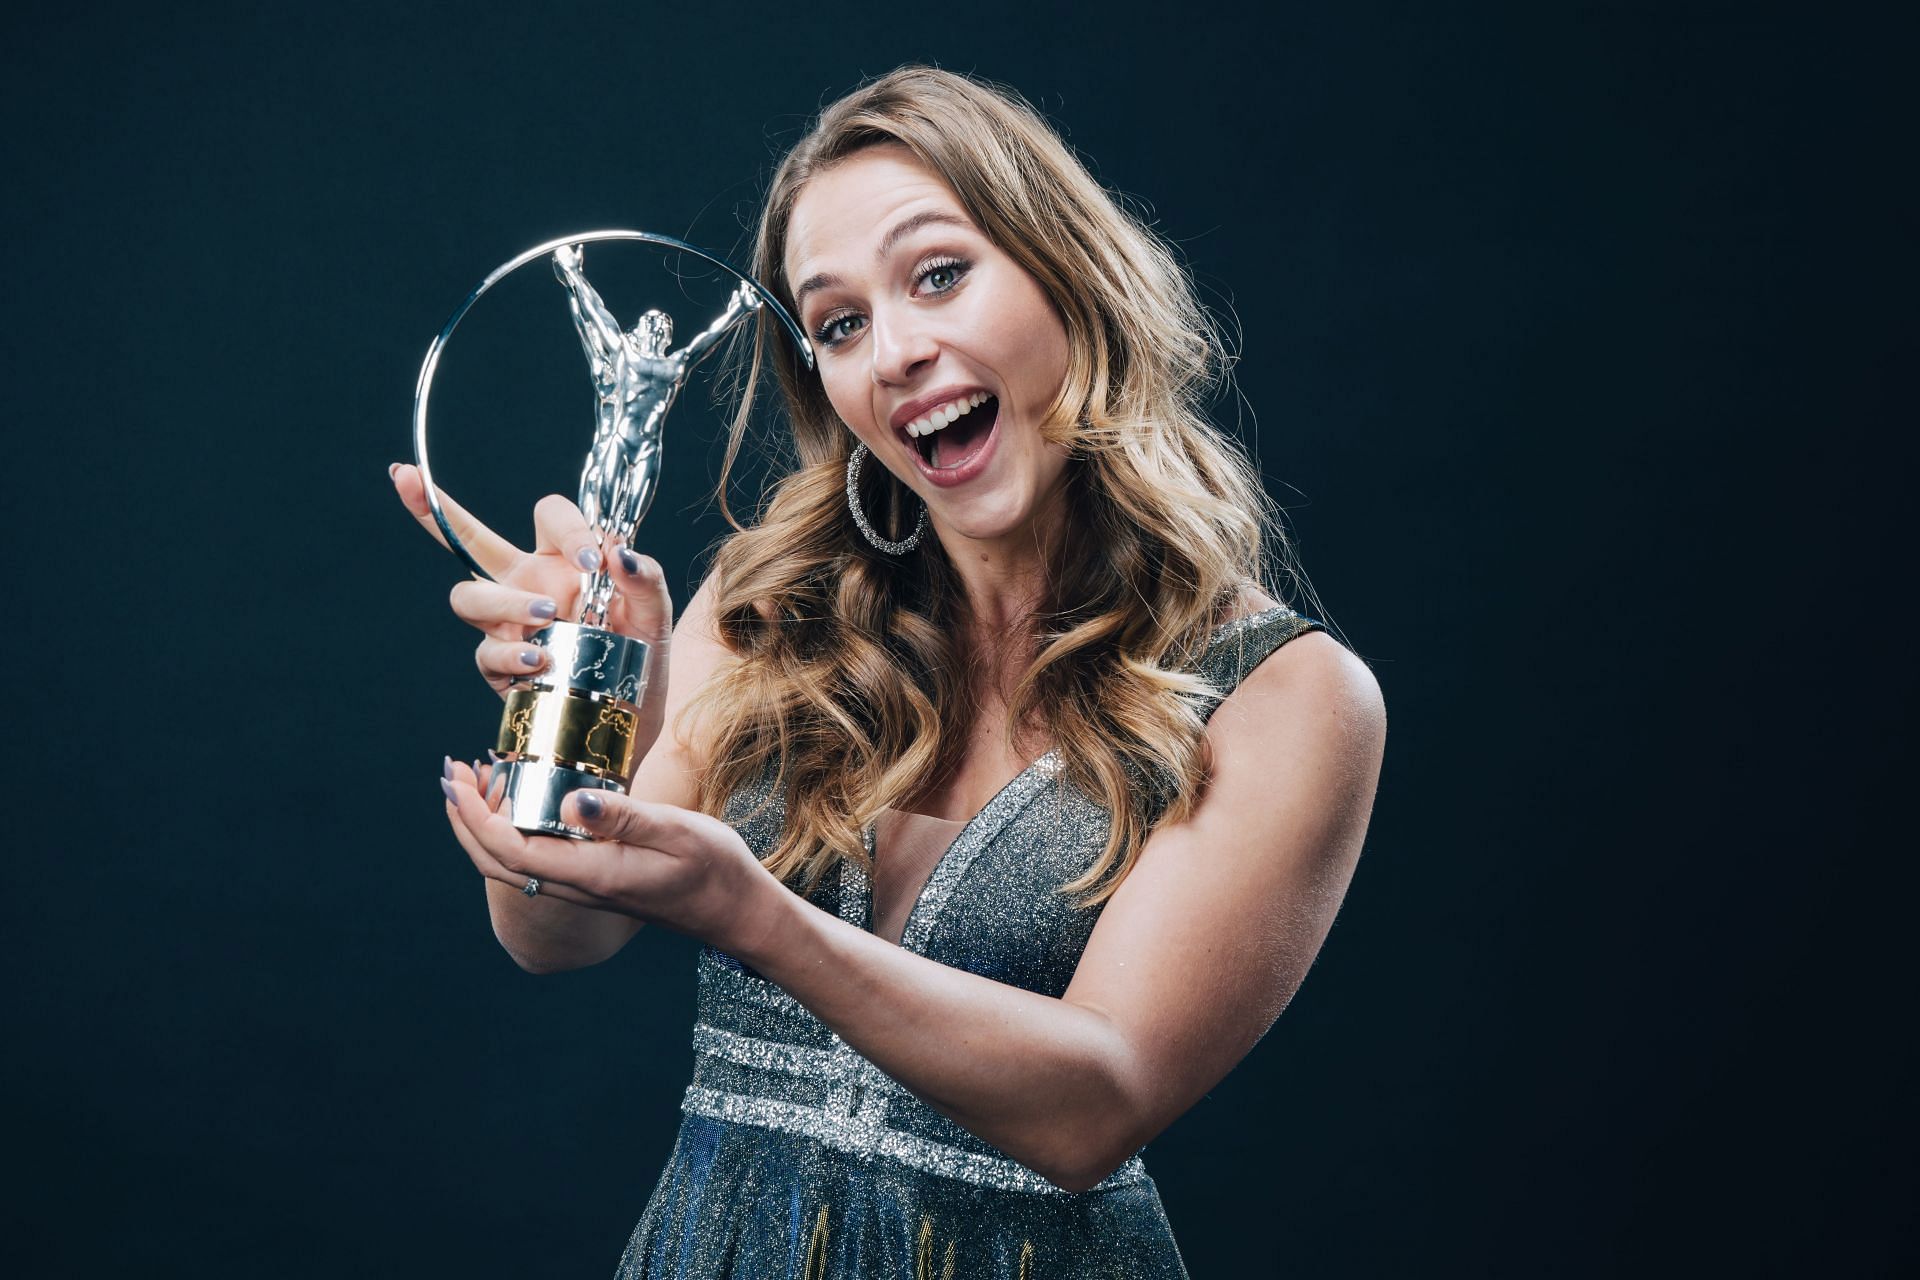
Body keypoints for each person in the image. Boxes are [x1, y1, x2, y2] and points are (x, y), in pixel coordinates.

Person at [393, 65, 1385, 1279]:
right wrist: (586, 692)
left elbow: (1096, 1104)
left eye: (939, 274)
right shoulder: (768, 605)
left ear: (1068, 271)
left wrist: (752, 914)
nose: (898, 351)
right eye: (840, 323)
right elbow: (556, 936)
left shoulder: (1285, 693)